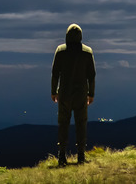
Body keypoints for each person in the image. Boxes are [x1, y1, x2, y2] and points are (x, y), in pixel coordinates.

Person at [51, 23, 95, 166]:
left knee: (63, 124)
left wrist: (53, 91)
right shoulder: (87, 52)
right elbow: (91, 75)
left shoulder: (60, 50)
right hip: (81, 94)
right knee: (81, 124)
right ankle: (81, 156)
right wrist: (91, 93)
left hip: (64, 94)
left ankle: (61, 155)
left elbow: (55, 73)